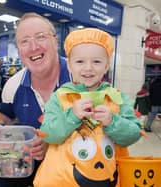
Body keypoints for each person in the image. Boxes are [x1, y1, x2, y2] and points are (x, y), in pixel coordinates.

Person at [33, 28, 142, 186]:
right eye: (80, 61)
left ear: (106, 67)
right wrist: (73, 115)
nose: (88, 68)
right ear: (69, 66)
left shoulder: (117, 98)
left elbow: (133, 134)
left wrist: (112, 121)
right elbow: (49, 134)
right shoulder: (60, 96)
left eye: (97, 61)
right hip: (61, 181)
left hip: (107, 178)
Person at [0, 12, 71, 187]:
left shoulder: (79, 74)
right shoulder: (13, 85)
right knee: (0, 165)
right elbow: (5, 116)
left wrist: (53, 144)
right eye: (24, 41)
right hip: (31, 162)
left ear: (55, 41)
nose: (33, 47)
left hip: (74, 162)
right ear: (19, 51)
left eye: (40, 37)